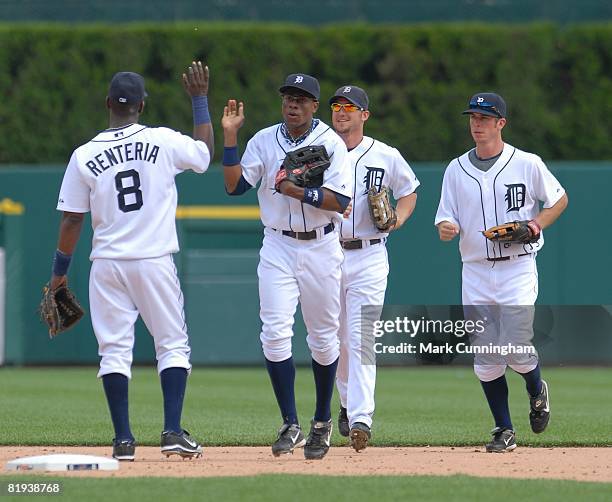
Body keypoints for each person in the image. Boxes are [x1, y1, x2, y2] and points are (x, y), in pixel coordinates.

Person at [49, 62, 214, 461]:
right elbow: (205, 156)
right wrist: (199, 100)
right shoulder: (161, 139)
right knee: (172, 343)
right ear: (142, 105)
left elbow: (72, 218)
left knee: (114, 351)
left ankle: (123, 440)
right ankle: (172, 431)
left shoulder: (84, 155)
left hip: (106, 263)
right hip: (153, 259)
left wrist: (58, 276)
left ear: (108, 103)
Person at [221, 73, 352, 460]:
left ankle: (321, 422)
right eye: (287, 97)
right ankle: (290, 422)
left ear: (314, 105)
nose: (292, 103)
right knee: (275, 334)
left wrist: (301, 191)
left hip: (321, 245)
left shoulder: (330, 142)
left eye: (301, 98)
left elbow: (340, 201)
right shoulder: (263, 139)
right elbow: (234, 186)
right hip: (277, 244)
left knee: (324, 338)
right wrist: (230, 137)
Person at [435, 92, 568, 452]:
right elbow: (445, 216)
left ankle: (535, 387)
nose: (476, 124)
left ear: (500, 123)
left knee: (514, 343)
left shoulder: (526, 163)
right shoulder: (455, 169)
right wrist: (446, 227)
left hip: (517, 266)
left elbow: (558, 199)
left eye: (484, 118)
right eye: (473, 118)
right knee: (486, 356)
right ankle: (503, 429)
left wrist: (537, 224)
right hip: (475, 269)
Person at [329, 85, 419, 452]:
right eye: (337, 105)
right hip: (326, 252)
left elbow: (410, 190)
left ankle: (362, 416)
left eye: (350, 107)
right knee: (334, 339)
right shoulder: (319, 151)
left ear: (364, 115)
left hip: (369, 253)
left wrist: (397, 218)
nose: (342, 112)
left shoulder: (385, 154)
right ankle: (349, 403)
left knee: (362, 336)